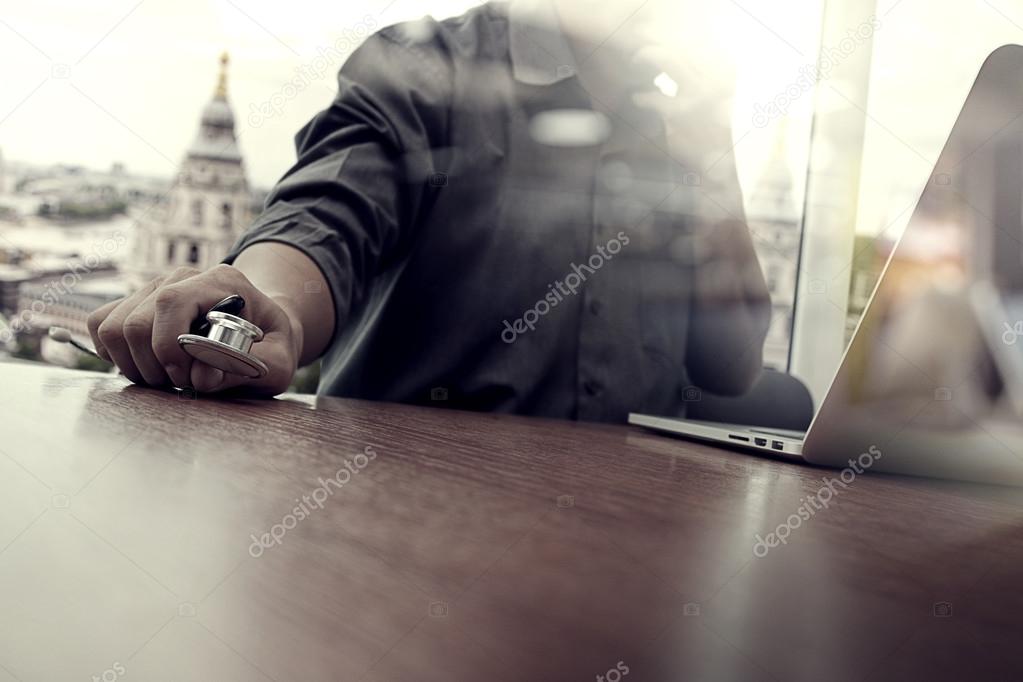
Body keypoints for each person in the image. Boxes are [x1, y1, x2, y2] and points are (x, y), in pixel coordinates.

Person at [87, 0, 771, 423]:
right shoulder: (426, 67)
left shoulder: (680, 114)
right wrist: (270, 306)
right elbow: (326, 213)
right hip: (408, 531)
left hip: (635, 538)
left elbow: (731, 366)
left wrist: (711, 153)